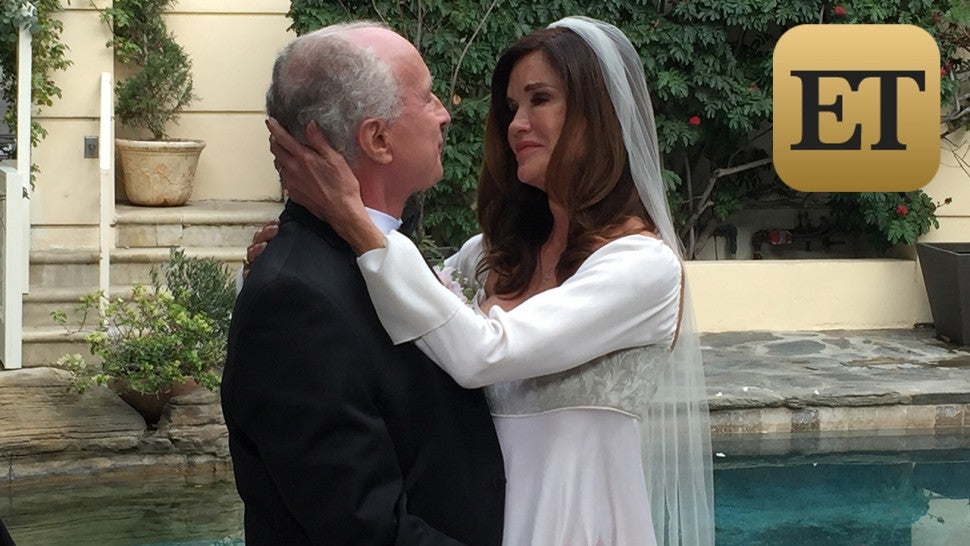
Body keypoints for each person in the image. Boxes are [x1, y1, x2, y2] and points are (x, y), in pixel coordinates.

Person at [266, 16, 714, 546]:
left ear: (599, 117)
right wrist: (311, 254)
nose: (517, 124)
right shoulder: (490, 255)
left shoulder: (642, 267)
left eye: (539, 99)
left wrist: (352, 219)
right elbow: (398, 320)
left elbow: (483, 353)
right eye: (511, 107)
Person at [221, 22, 506, 545]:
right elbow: (365, 530)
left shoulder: (367, 258)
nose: (444, 113)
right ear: (377, 139)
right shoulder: (296, 301)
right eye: (426, 97)